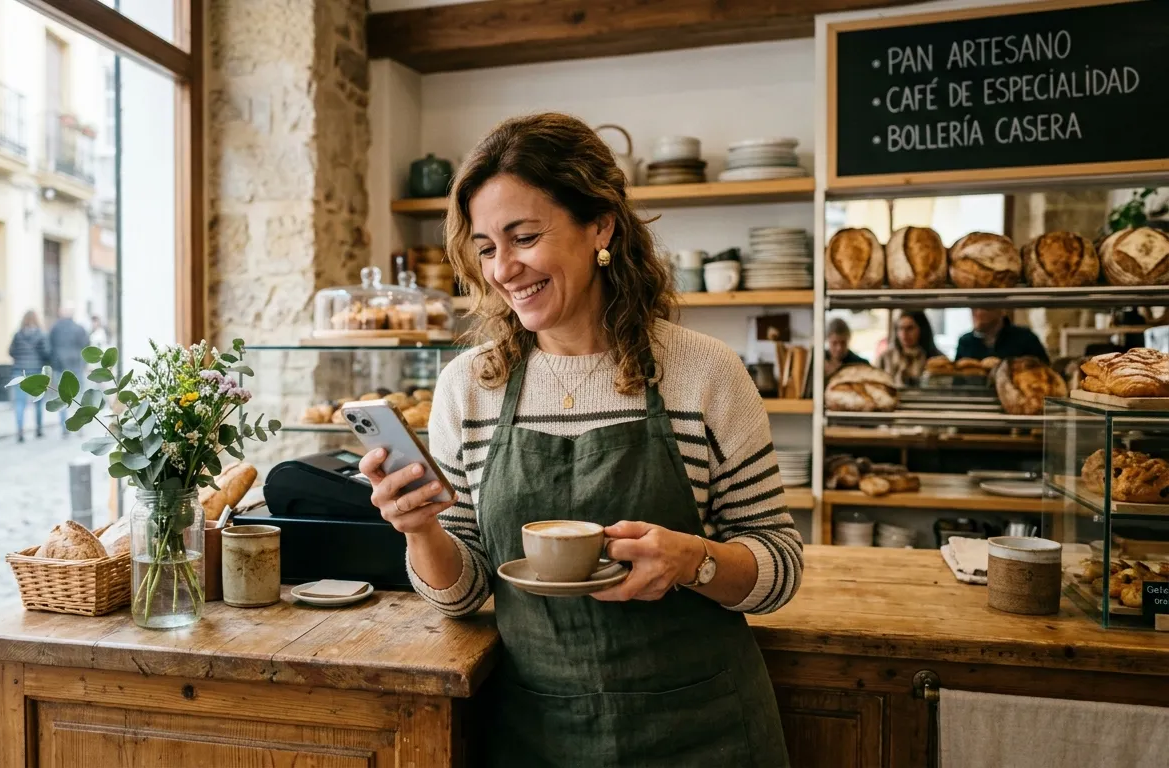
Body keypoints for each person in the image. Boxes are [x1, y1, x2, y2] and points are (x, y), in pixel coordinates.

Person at [360, 113, 799, 767]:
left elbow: (780, 567)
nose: (504, 269)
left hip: (704, 729)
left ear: (601, 226)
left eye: (524, 237)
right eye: (486, 248)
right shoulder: (469, 388)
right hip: (539, 733)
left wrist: (695, 561)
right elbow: (466, 591)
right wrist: (420, 530)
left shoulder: (704, 373)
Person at [48, 305, 91, 437]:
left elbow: (49, 348)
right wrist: (84, 363)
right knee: (79, 397)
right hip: (76, 366)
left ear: (61, 313)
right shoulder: (79, 329)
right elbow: (87, 346)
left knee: (62, 398)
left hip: (60, 368)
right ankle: (79, 425)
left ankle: (64, 427)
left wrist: (53, 363)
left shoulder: (54, 329)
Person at [8, 311, 49, 442]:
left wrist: (20, 358)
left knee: (20, 403)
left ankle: (20, 431)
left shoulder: (18, 335)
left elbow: (11, 351)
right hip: (36, 372)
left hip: (19, 371)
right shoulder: (41, 335)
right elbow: (46, 353)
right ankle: (39, 429)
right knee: (38, 401)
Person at [955, 308, 1049, 363]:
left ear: (1002, 310)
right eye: (973, 308)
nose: (976, 313)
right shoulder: (965, 342)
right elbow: (957, 382)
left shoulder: (1026, 338)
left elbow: (1044, 373)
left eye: (984, 307)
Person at [879, 310, 941, 387]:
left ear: (922, 329)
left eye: (910, 328)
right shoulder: (886, 358)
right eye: (900, 328)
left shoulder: (936, 360)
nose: (904, 334)